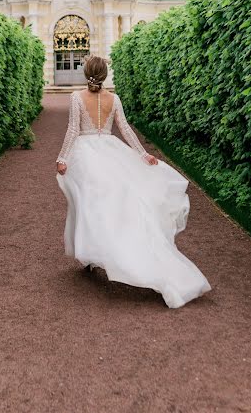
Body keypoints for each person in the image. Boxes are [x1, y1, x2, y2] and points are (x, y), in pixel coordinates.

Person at [56, 55, 211, 309]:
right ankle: (97, 254)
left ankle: (95, 254)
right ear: (105, 75)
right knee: (110, 204)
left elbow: (74, 129)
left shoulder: (76, 98)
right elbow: (125, 129)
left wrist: (62, 157)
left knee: (88, 204)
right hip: (110, 151)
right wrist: (142, 153)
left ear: (86, 74)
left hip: (85, 155)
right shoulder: (113, 99)